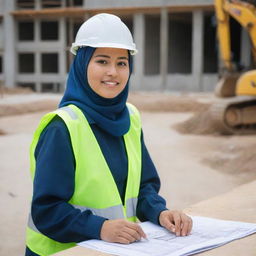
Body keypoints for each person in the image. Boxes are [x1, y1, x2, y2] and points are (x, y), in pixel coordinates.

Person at [25, 13, 193, 256]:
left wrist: (160, 212)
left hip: (112, 250)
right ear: (82, 65)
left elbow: (143, 187)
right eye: (102, 61)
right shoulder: (62, 127)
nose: (113, 72)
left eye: (122, 63)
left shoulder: (130, 118)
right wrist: (100, 227)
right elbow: (47, 210)